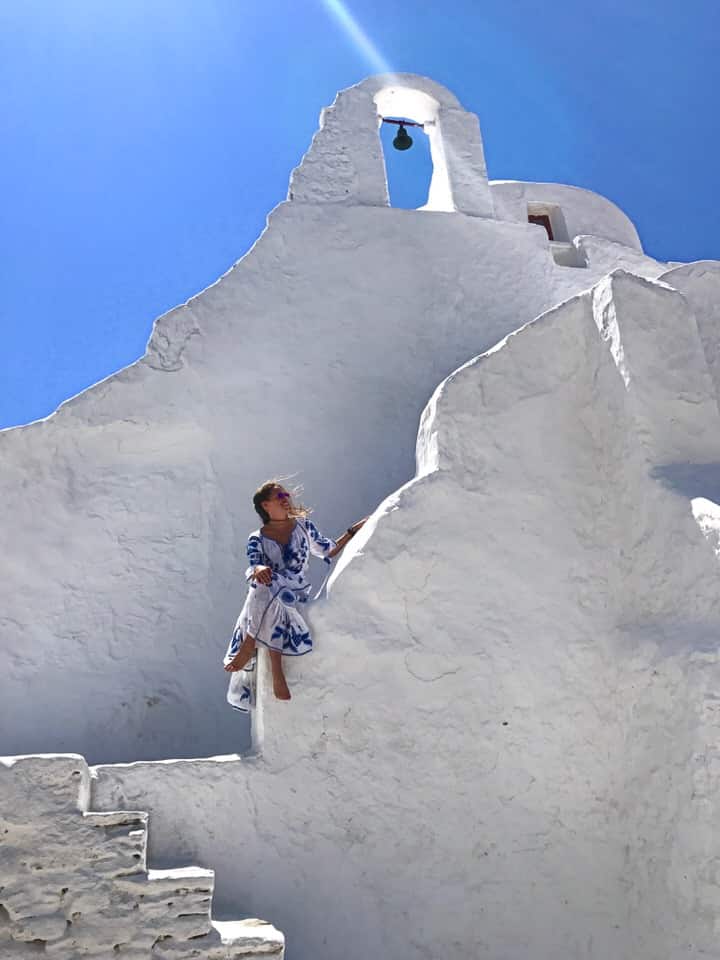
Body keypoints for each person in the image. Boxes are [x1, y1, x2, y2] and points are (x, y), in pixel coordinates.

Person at [223, 480, 366, 705]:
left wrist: (353, 531)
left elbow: (328, 550)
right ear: (266, 505)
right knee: (266, 583)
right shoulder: (257, 538)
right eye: (279, 496)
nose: (286, 499)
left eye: (286, 495)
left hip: (294, 590)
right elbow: (253, 564)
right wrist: (259, 569)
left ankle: (250, 643)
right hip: (268, 590)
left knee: (269, 586)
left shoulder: (303, 526)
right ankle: (277, 671)